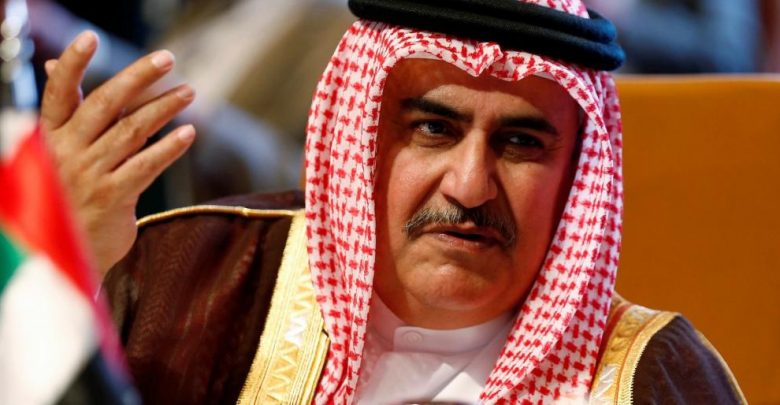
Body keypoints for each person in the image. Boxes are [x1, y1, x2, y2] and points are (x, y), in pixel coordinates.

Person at [41, 0, 745, 403]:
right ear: (362, 134)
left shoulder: (655, 380)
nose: (469, 186)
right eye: (434, 129)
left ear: (573, 176)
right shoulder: (192, 283)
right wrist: (54, 274)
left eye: (520, 144)